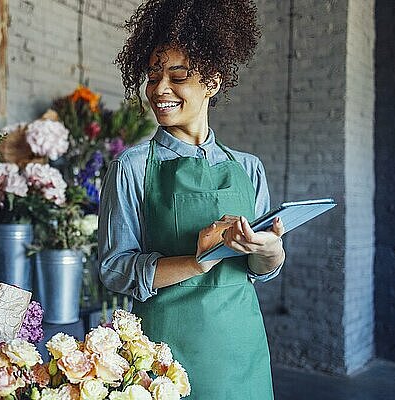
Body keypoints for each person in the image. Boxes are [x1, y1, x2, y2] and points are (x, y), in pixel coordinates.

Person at [98, 0, 286, 398]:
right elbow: (115, 269)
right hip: (165, 354)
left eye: (177, 75)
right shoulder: (131, 167)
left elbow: (260, 271)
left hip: (242, 346)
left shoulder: (248, 168)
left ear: (213, 81)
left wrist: (269, 250)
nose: (160, 88)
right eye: (152, 76)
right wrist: (199, 261)